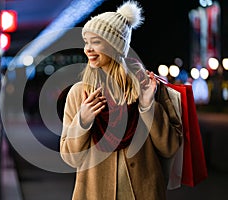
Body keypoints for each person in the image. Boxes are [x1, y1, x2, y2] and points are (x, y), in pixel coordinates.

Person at [60, 1, 183, 199]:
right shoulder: (79, 94)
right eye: (86, 42)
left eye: (96, 42)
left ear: (114, 46)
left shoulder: (149, 88)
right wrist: (82, 121)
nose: (87, 49)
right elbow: (70, 158)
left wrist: (147, 107)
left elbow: (169, 147)